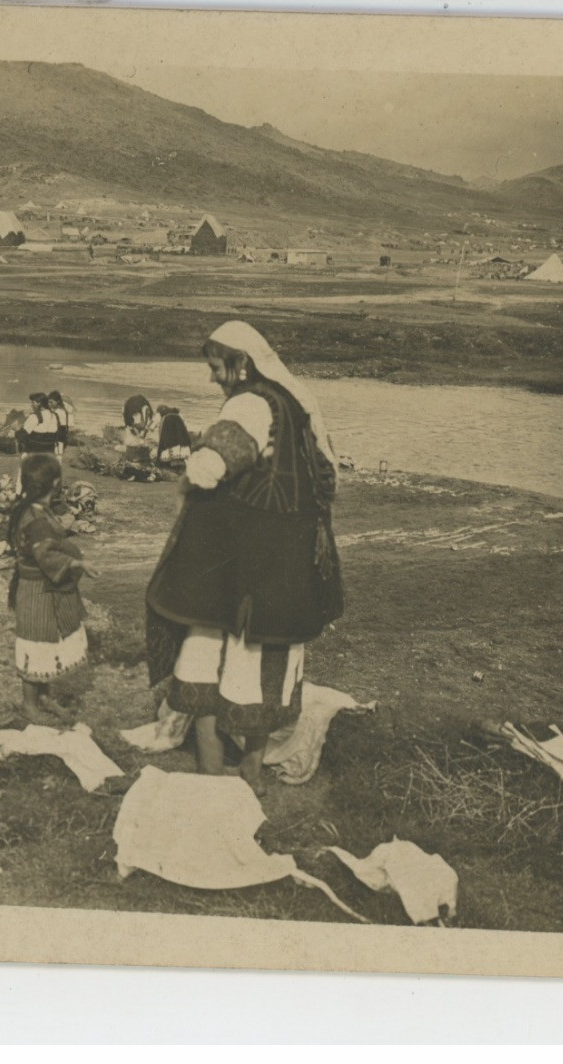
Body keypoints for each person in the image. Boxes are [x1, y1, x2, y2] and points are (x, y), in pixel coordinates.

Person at [144, 321, 344, 794]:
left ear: (241, 364)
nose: (213, 378)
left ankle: (214, 777)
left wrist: (190, 474)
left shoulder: (251, 403)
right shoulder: (293, 404)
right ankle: (250, 773)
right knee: (261, 667)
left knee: (211, 657)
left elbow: (213, 463)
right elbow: (328, 476)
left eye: (216, 368)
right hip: (286, 564)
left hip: (243, 564)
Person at [7, 453, 95, 722]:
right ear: (56, 483)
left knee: (47, 641)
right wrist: (76, 564)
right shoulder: (36, 518)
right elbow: (47, 556)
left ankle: (43, 697)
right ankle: (29, 705)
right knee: (36, 644)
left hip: (41, 589)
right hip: (37, 591)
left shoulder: (33, 509)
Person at [46, 391, 74, 457]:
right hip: (61, 436)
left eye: (51, 402)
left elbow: (58, 426)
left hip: (58, 436)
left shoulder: (59, 411)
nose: (49, 404)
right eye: (48, 402)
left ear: (58, 401)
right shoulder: (61, 409)